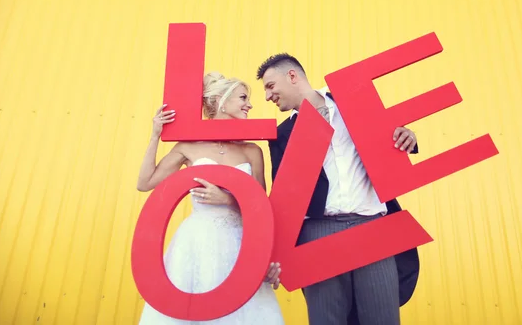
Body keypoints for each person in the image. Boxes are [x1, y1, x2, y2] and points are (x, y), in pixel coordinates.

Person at [257, 54, 420, 325]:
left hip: (373, 228)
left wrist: (407, 135)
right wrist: (278, 253)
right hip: (318, 232)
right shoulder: (283, 134)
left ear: (292, 76)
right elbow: (284, 199)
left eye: (271, 86)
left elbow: (392, 139)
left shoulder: (354, 105)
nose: (267, 96)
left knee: (383, 318)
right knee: (326, 320)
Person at [137, 72, 285, 324]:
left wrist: (228, 200)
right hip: (198, 242)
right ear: (220, 101)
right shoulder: (188, 146)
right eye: (243, 97)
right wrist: (154, 135)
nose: (249, 104)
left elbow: (262, 208)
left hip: (242, 244)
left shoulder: (252, 150)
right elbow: (145, 183)